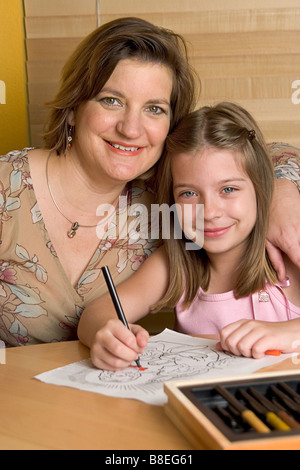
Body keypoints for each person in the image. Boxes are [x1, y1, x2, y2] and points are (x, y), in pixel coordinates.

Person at [0, 17, 197, 346]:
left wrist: (282, 191)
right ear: (74, 108)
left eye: (154, 109)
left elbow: (255, 156)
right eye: (112, 101)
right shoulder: (8, 189)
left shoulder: (163, 208)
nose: (131, 129)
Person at [78, 102, 300, 370]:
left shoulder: (288, 254)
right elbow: (95, 313)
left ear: (260, 187)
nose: (209, 213)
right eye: (189, 194)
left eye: (228, 189)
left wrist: (290, 332)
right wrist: (107, 335)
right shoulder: (178, 262)